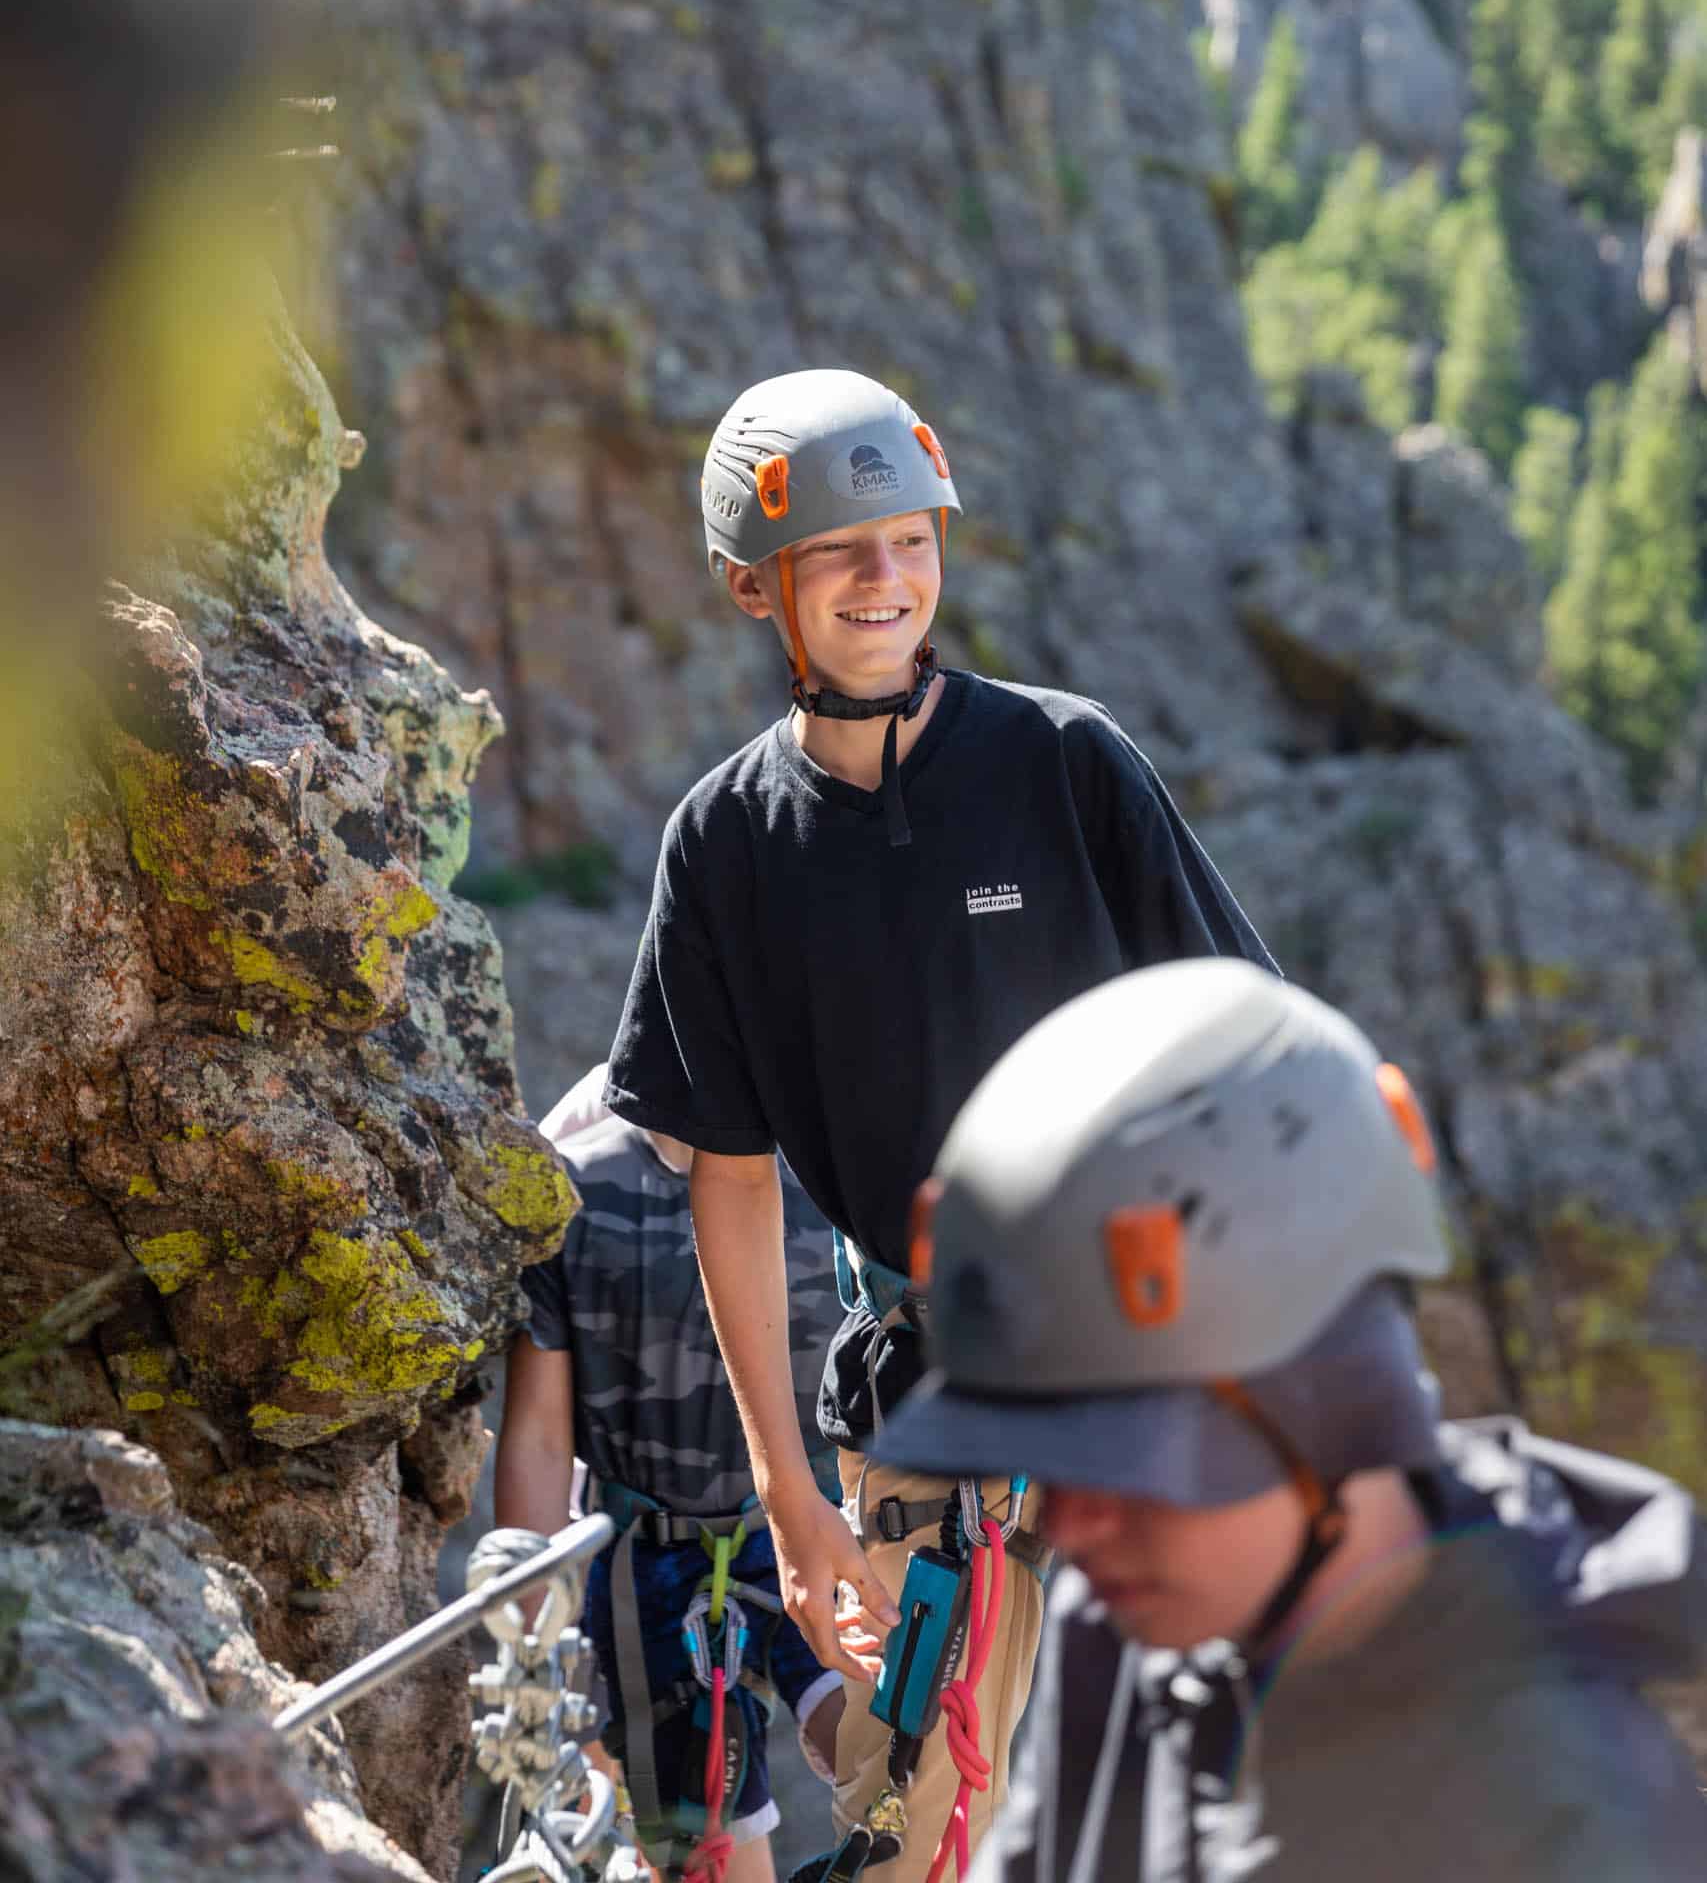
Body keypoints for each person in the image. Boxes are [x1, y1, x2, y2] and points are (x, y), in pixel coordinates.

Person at [603, 370, 1275, 1880]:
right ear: (751, 584)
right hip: (921, 1409)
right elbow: (729, 1172)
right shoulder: (725, 846)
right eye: (840, 550)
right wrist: (787, 1501)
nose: (882, 578)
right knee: (912, 1824)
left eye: (907, 540)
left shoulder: (1059, 763)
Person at [871, 956, 1707, 1882]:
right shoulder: (1127, 1634)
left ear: (1327, 1403)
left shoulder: (1568, 1815)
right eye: (1041, 1456)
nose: (1068, 1526)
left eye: (1125, 1461)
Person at [495, 1065, 847, 1883]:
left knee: (882, 1744)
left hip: (813, 1530)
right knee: (701, 1838)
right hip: (644, 1570)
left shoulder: (833, 1182)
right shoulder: (573, 1194)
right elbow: (540, 1443)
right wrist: (532, 1636)